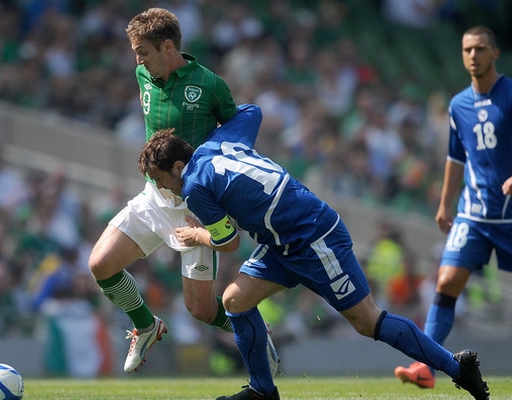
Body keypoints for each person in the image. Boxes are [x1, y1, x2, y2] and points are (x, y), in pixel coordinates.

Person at [138, 103, 490, 400]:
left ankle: (458, 367)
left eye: (160, 178)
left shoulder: (196, 186)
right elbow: (251, 112)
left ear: (179, 167)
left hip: (314, 238)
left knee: (367, 321)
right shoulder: (220, 140)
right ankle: (262, 390)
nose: (160, 186)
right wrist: (219, 107)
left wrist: (196, 235)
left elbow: (228, 243)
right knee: (234, 300)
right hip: (281, 242)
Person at [87, 7, 279, 374]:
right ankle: (146, 326)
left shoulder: (209, 83)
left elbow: (238, 126)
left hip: (196, 207)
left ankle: (258, 329)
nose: (138, 59)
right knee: (100, 265)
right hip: (153, 197)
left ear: (168, 46)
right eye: (135, 52)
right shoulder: (143, 74)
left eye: (143, 51)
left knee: (202, 311)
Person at [394, 25, 512, 389]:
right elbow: (456, 158)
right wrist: (444, 204)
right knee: (447, 280)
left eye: (480, 49)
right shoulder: (458, 105)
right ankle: (425, 367)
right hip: (473, 213)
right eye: (468, 49)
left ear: (495, 53)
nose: (473, 55)